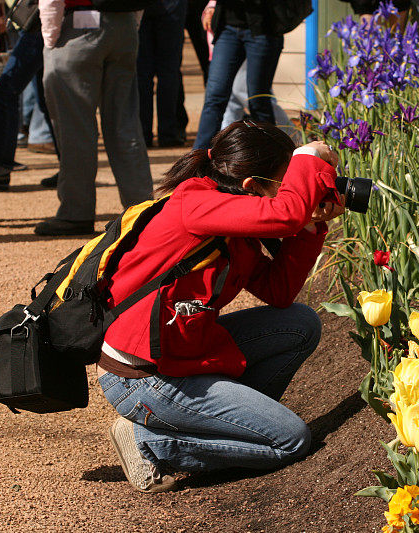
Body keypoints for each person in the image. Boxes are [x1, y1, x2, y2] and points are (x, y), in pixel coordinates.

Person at [97, 120, 343, 493]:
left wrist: (310, 227)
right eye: (284, 185)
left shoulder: (233, 225)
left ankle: (227, 422)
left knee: (299, 323)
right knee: (291, 440)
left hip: (184, 353)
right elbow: (285, 213)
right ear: (251, 186)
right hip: (143, 378)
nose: (292, 195)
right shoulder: (195, 203)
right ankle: (151, 442)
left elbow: (279, 291)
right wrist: (308, 158)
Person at [36, 0, 153, 236]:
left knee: (75, 129)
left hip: (78, 28)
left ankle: (76, 212)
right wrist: (129, 23)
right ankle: (143, 209)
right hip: (123, 24)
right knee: (125, 125)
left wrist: (50, 42)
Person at [193, 0, 312, 149]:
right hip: (227, 27)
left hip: (264, 29)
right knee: (214, 96)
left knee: (258, 99)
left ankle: (269, 157)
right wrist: (211, 6)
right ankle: (199, 156)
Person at [0, 25, 58, 191]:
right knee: (45, 99)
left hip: (40, 26)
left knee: (6, 91)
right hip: (37, 26)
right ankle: (70, 170)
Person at [137, 0, 188, 148]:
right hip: (170, 8)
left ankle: (144, 134)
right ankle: (167, 133)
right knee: (167, 72)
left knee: (144, 74)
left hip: (142, 9)